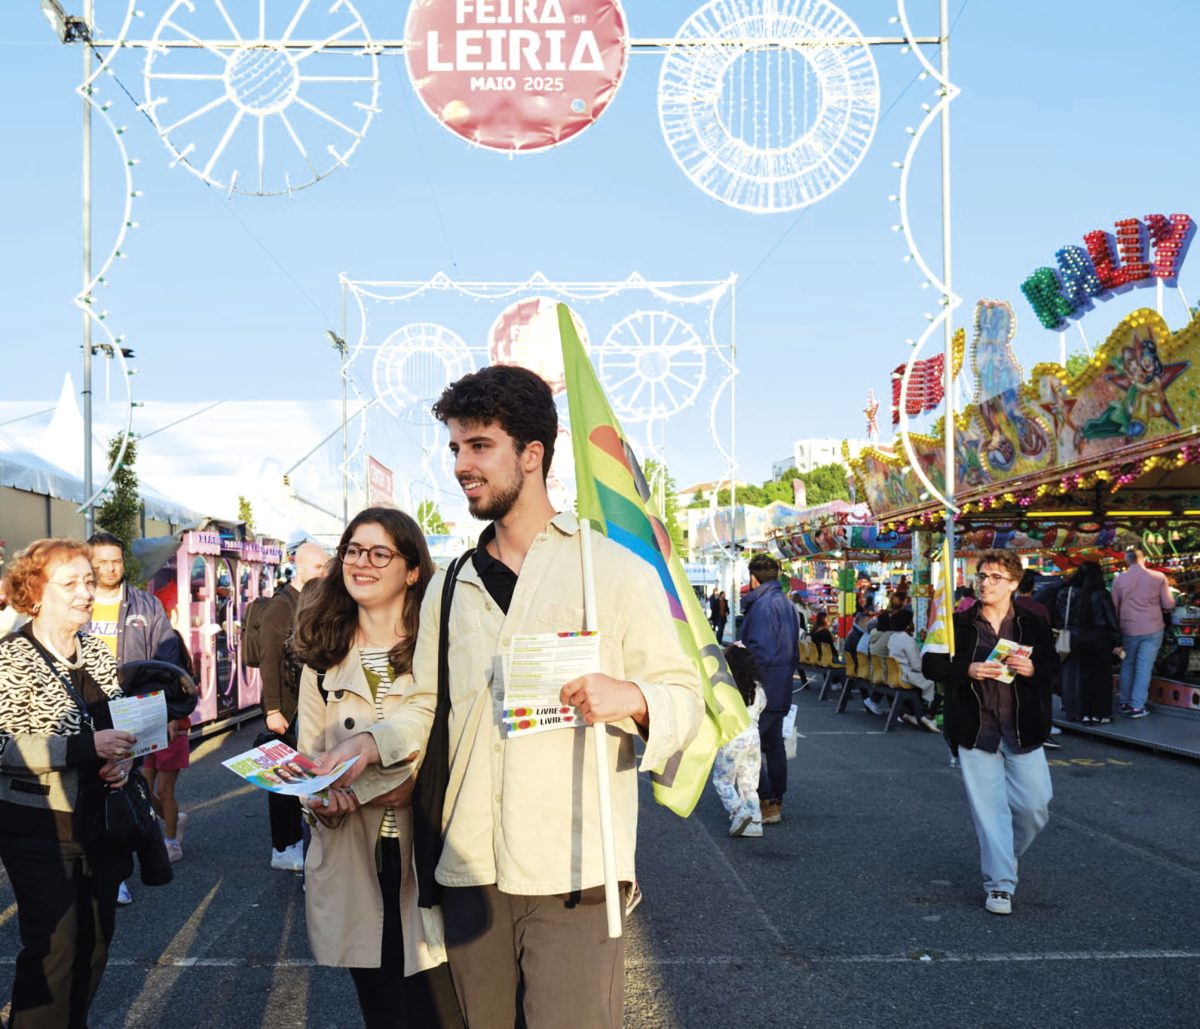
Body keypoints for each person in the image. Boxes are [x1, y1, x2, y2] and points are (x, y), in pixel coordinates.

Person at [308, 365, 703, 1027]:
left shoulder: (614, 571)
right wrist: (370, 741)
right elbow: (428, 706)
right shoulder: (450, 582)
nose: (461, 463)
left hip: (573, 865)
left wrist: (631, 695)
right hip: (469, 866)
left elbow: (685, 697)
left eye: (479, 445)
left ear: (531, 453)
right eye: (455, 448)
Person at [291, 508, 462, 1028]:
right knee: (384, 1011)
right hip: (355, 861)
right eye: (353, 550)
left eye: (379, 553)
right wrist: (319, 800)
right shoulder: (321, 658)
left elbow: (465, 748)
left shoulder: (445, 650)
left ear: (412, 570)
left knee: (446, 1010)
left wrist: (413, 785)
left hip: (432, 858)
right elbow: (307, 763)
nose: (361, 563)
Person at [0, 538, 138, 1026]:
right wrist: (85, 749)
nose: (86, 592)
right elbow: (3, 746)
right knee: (54, 951)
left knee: (96, 946)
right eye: (71, 583)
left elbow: (119, 728)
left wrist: (126, 760)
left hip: (102, 823)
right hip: (40, 827)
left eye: (88, 581)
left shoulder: (97, 653)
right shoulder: (11, 658)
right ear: (35, 592)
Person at [922, 549, 1058, 917]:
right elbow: (930, 664)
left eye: (995, 577)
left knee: (1036, 806)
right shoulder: (958, 623)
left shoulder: (1034, 623)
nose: (985, 583)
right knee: (989, 811)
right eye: (982, 575)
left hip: (1023, 728)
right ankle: (1000, 883)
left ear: (1014, 583)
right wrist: (967, 670)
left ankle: (1006, 856)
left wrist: (1031, 670)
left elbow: (1053, 672)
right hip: (975, 728)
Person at [86, 531, 181, 906]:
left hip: (131, 710)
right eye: (102, 562)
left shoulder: (146, 605)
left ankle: (117, 873)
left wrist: (170, 711)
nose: (111, 568)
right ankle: (97, 868)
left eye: (116, 560)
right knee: (90, 790)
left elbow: (167, 658)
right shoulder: (80, 601)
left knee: (123, 790)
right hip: (87, 710)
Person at [260, 541, 330, 872]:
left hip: (299, 706)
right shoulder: (281, 605)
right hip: (285, 710)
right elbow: (268, 658)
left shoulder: (308, 601)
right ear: (299, 568)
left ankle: (293, 841)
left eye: (326, 567)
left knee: (295, 775)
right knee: (282, 778)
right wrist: (272, 709)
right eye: (318, 568)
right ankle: (283, 845)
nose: (324, 573)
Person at [739, 552, 800, 826]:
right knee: (773, 744)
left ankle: (766, 799)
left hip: (763, 688)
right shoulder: (786, 604)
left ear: (753, 579)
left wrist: (747, 683)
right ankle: (776, 799)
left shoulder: (763, 607)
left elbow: (761, 652)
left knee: (750, 745)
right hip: (781, 684)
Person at [140, 629, 195, 864]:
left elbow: (184, 701)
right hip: (149, 729)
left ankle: (171, 842)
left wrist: (173, 718)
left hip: (172, 732)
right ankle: (175, 820)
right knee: (142, 789)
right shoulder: (150, 663)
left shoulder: (179, 670)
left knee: (164, 790)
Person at [1053, 561, 1121, 724]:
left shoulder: (1066, 593)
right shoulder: (1101, 594)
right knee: (1101, 677)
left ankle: (1083, 713)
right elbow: (1111, 619)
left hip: (1075, 637)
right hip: (1099, 637)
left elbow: (1060, 618)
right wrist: (1117, 641)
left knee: (1082, 676)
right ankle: (1100, 713)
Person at [1112, 546, 1175, 718]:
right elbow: (1168, 604)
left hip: (1127, 629)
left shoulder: (1119, 581)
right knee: (1144, 667)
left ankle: (1124, 702)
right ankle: (1137, 706)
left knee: (1127, 664)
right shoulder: (1158, 577)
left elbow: (1114, 608)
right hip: (1152, 629)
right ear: (1144, 559)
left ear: (1127, 560)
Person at [710, 643, 765, 838]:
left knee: (722, 779)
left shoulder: (725, 690)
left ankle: (738, 812)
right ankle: (755, 822)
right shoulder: (757, 688)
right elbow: (762, 707)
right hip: (753, 738)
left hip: (733, 738)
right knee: (749, 783)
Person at [887, 609, 940, 732]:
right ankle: (927, 715)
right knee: (931, 682)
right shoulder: (908, 640)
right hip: (906, 675)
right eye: (911, 621)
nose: (913, 624)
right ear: (906, 624)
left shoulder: (892, 637)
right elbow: (916, 666)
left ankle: (912, 712)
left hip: (895, 674)